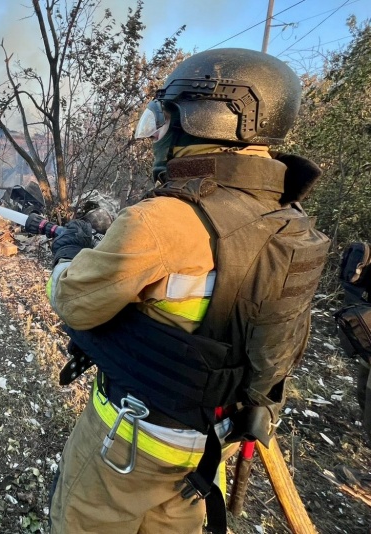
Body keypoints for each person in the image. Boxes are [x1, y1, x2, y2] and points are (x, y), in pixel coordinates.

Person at [33, 48, 330, 534]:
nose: (158, 133)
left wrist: (68, 251)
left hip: (131, 446)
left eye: (164, 116)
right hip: (206, 454)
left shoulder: (163, 220)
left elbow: (72, 301)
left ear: (201, 117)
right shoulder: (288, 222)